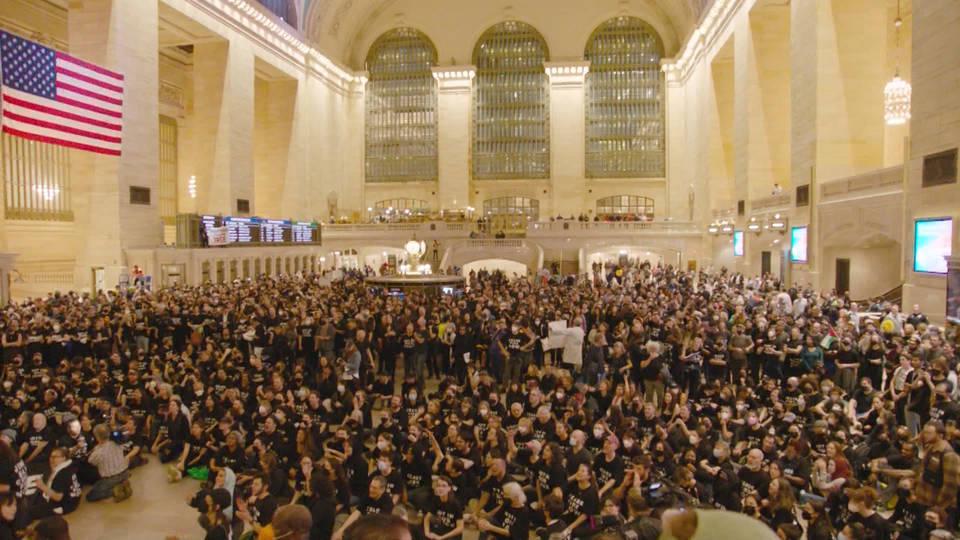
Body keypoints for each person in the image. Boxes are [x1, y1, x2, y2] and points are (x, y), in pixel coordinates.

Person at [27, 448, 80, 521]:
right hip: (73, 502)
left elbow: (58, 497)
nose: (52, 459)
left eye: (55, 457)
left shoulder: (62, 474)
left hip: (63, 506)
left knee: (29, 511)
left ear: (63, 458)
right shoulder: (70, 467)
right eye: (51, 457)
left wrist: (42, 486)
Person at [86, 424, 131, 502]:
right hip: (124, 472)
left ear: (97, 437)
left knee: (90, 496)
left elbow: (90, 461)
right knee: (97, 484)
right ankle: (122, 483)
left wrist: (95, 448)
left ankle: (115, 490)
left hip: (111, 478)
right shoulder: (117, 443)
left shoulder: (99, 452)